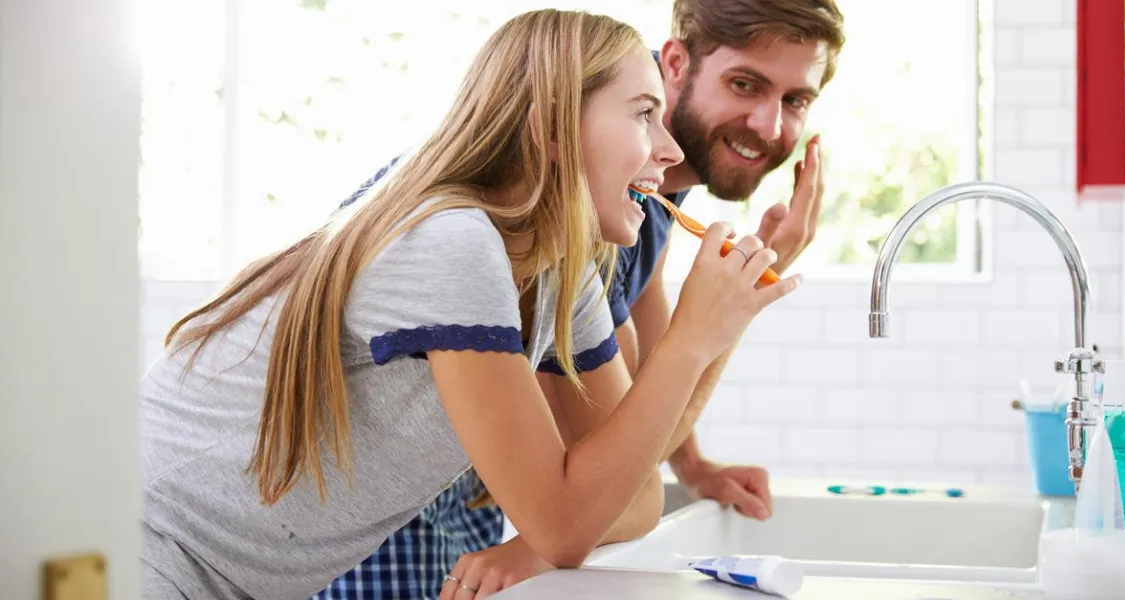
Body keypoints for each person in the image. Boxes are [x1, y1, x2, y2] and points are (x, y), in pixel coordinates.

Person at [139, 8, 798, 600]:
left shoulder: (560, 273)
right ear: (553, 129)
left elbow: (634, 494)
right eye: (642, 113)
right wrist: (692, 339)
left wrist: (706, 332)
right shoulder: (452, 241)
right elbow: (566, 522)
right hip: (140, 556)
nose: (670, 150)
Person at [322, 1, 845, 598]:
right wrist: (724, 318)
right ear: (675, 63)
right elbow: (603, 459)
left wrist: (691, 463)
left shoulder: (639, 207)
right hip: (374, 532)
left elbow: (636, 420)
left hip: (455, 517)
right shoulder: (556, 221)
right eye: (745, 84)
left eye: (796, 101)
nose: (769, 125)